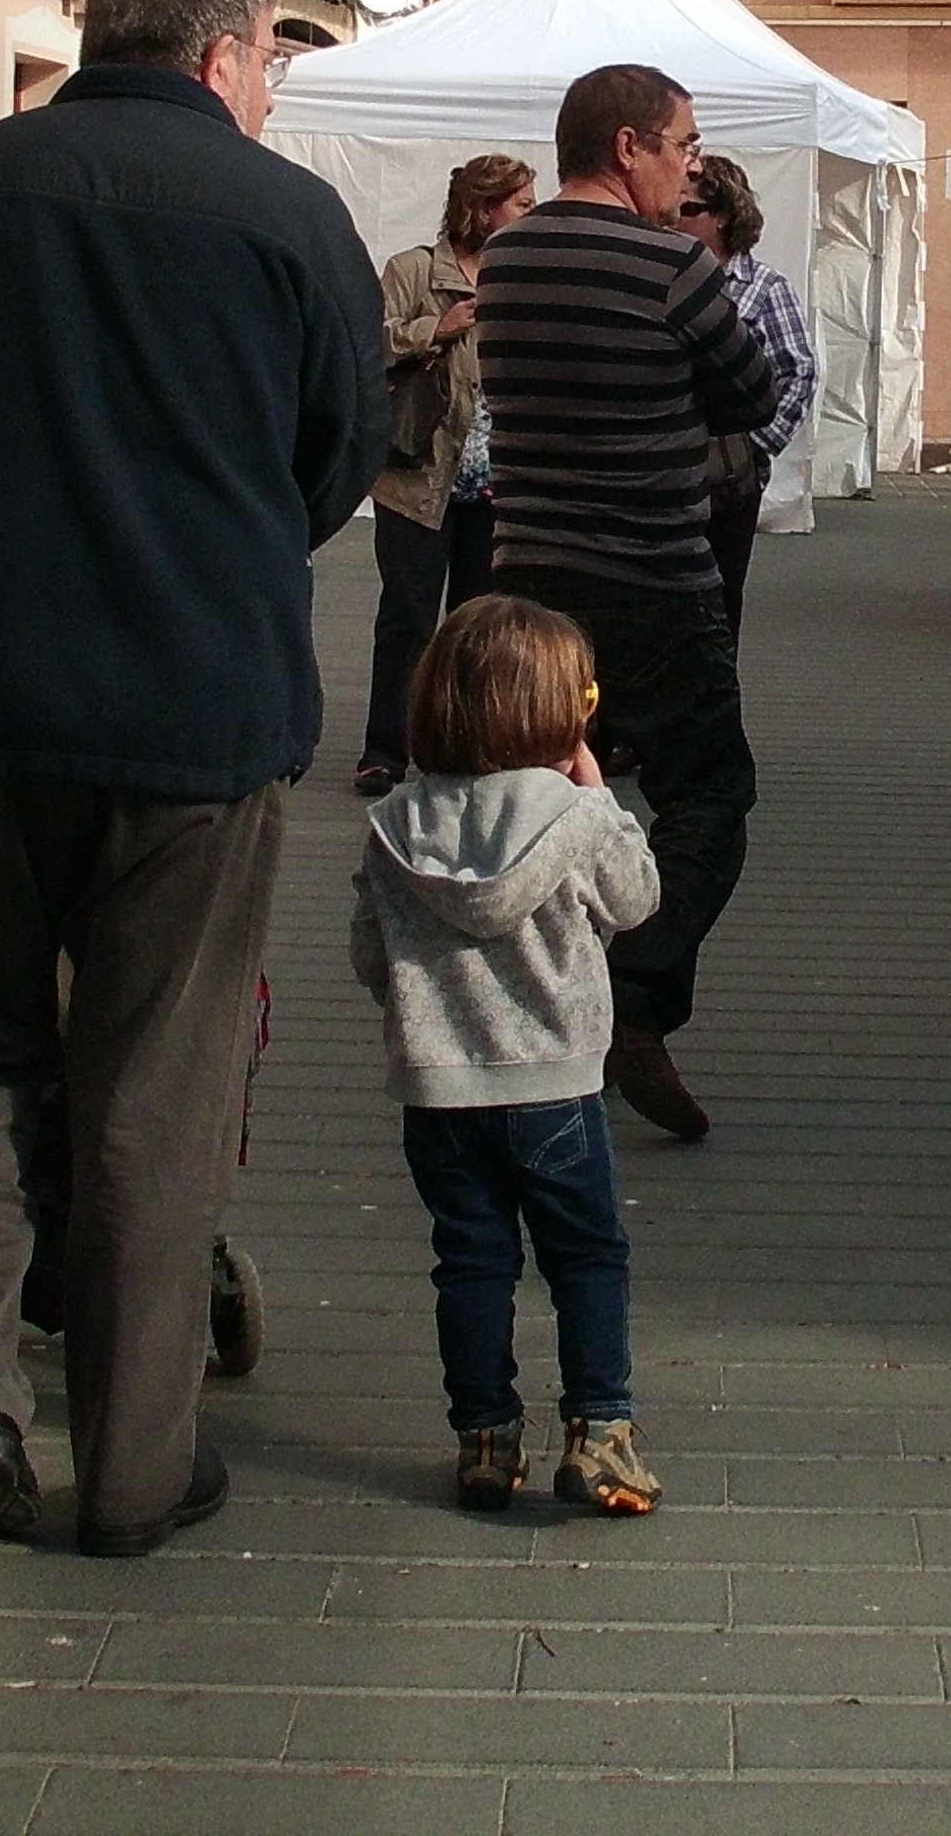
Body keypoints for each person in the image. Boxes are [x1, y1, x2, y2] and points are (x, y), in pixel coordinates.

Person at [0, 0, 386, 1555]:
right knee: (158, 1081)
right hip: (199, 713)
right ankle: (133, 1467)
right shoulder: (292, 221)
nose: (271, 92)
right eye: (271, 63)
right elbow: (340, 452)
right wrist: (228, 552)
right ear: (222, 57)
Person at [475, 64, 780, 1144]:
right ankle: (634, 998)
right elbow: (754, 392)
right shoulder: (672, 267)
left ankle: (520, 1023)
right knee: (710, 798)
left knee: (535, 806)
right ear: (627, 147)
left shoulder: (506, 261)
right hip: (654, 579)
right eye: (683, 145)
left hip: (529, 584)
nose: (690, 169)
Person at [352, 594, 666, 1518]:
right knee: (586, 1256)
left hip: (439, 1092)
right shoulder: (572, 813)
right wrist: (600, 799)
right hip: (556, 1087)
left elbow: (370, 956)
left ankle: (485, 1440)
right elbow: (637, 899)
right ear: (562, 714)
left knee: (471, 1263)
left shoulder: (396, 824)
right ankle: (600, 1434)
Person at [357, 155, 536, 798]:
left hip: (494, 485)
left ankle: (463, 749)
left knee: (476, 625)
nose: (531, 215)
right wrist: (436, 327)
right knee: (407, 618)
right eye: (521, 204)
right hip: (418, 477)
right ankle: (386, 751)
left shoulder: (521, 277)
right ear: (483, 209)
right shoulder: (413, 270)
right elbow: (367, 344)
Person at [672, 155, 816, 634]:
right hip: (665, 466)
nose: (676, 218)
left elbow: (799, 371)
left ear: (722, 216)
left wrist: (755, 447)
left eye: (689, 210)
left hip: (728, 477)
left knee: (720, 598)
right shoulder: (665, 280)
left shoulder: (764, 288)